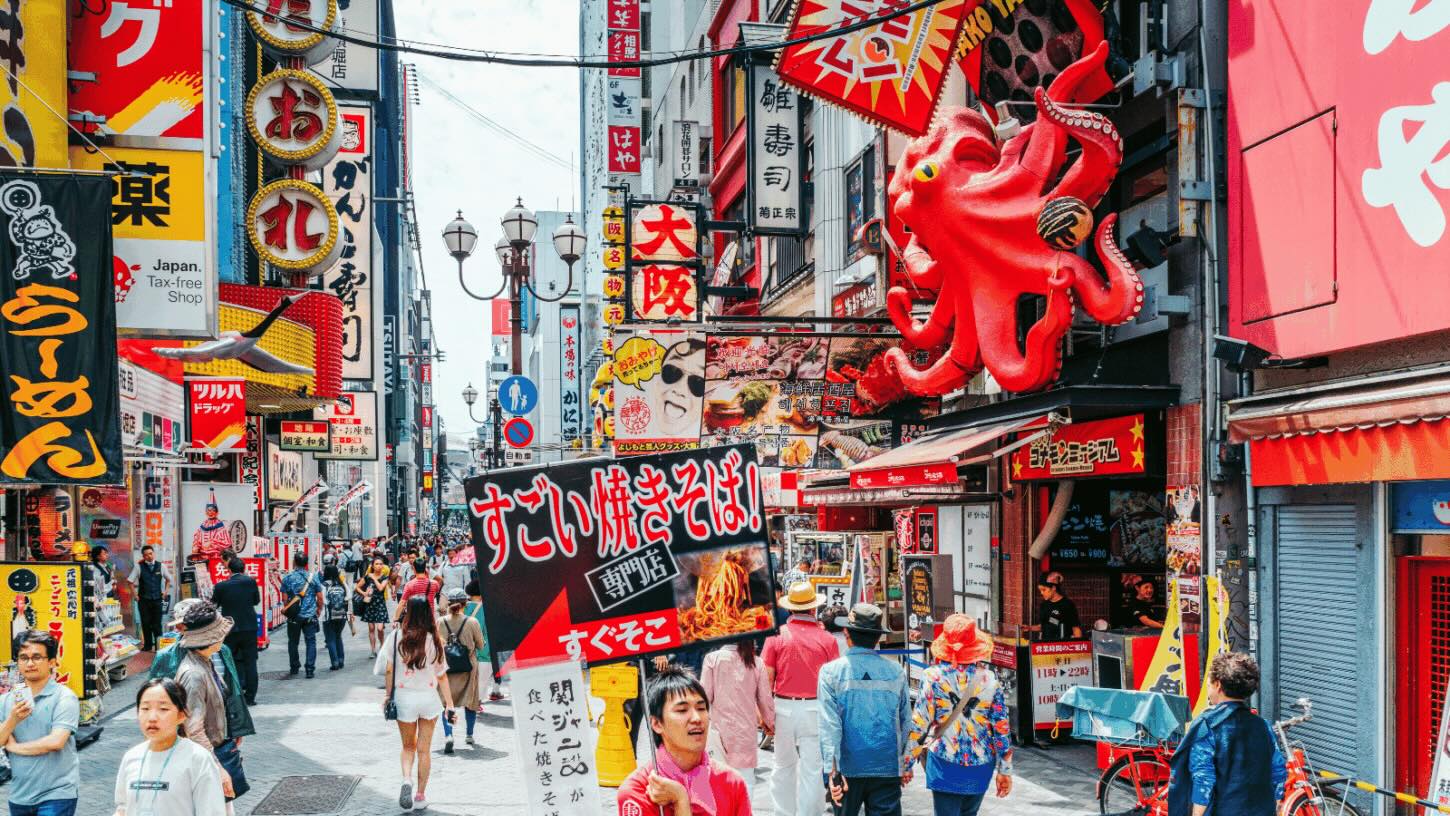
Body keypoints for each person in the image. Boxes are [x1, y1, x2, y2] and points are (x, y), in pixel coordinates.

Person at [906, 614, 1013, 816]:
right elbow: (1001, 728)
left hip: (945, 761)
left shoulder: (933, 677)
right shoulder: (989, 679)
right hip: (981, 764)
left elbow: (919, 723)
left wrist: (906, 764)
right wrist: (1005, 770)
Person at [616, 668, 753, 816]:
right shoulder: (636, 792)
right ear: (656, 724)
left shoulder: (732, 782)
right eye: (682, 710)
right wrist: (680, 800)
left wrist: (680, 799)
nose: (697, 718)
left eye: (701, 708)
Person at [1167, 652, 1286, 816]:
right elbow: (1278, 772)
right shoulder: (1263, 725)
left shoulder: (1207, 725)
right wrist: (1277, 808)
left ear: (1217, 685)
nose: (1207, 687)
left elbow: (1204, 780)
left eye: (1208, 683)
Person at [820, 604, 911, 816]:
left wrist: (831, 772)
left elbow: (829, 726)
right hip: (886, 766)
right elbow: (906, 721)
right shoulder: (896, 672)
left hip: (847, 768)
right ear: (878, 638)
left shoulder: (830, 673)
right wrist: (905, 764)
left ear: (846, 633)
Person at [762, 582, 841, 816]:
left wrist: (765, 713)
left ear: (791, 609)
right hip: (816, 709)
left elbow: (767, 679)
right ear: (813, 609)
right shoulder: (827, 639)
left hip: (783, 707)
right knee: (813, 769)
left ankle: (783, 813)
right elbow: (834, 683)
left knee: (782, 766)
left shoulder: (776, 636)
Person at [375, 597, 456, 812]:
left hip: (404, 698)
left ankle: (406, 780)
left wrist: (388, 695)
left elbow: (389, 670)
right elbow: (442, 677)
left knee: (407, 747)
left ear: (408, 612)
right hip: (428, 699)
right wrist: (449, 704)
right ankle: (420, 796)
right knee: (424, 750)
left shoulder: (395, 637)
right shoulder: (433, 640)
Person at [112, 678, 227, 816]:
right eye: (145, 708)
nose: (152, 717)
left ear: (181, 715)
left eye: (163, 709)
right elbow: (123, 808)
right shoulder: (131, 757)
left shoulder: (198, 759)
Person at [147, 601, 256, 743]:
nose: (181, 629)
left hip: (220, 733)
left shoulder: (222, 650)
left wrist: (236, 727)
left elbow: (231, 690)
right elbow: (154, 700)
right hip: (187, 739)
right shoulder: (168, 657)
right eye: (181, 625)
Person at [173, 602, 248, 804]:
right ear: (213, 638)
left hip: (215, 751)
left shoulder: (204, 662)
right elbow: (193, 728)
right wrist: (217, 767)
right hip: (207, 759)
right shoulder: (194, 673)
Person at [0, 630, 80, 816]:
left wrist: (14, 748)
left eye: (37, 657)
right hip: (19, 795)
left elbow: (55, 742)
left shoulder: (64, 697)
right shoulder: (6, 701)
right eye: (23, 658)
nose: (30, 663)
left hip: (57, 793)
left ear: (52, 662)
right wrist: (13, 719)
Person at [699, 639, 774, 788]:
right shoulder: (756, 662)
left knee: (718, 783)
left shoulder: (712, 659)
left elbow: (704, 698)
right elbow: (765, 699)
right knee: (746, 782)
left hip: (718, 731)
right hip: (745, 733)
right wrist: (770, 723)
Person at [438, 588, 484, 754]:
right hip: (468, 667)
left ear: (449, 603)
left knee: (447, 702)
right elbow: (480, 645)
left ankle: (449, 735)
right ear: (465, 603)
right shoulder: (472, 622)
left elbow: (436, 644)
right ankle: (469, 735)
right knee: (470, 701)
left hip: (447, 667)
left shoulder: (440, 621)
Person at [211, 557, 261, 706]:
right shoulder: (251, 582)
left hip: (230, 629)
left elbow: (214, 603)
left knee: (229, 661)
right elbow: (256, 601)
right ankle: (250, 697)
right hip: (249, 627)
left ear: (229, 570)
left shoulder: (221, 586)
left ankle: (234, 693)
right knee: (250, 662)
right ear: (244, 569)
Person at [280, 552, 324, 678]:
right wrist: (319, 610)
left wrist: (289, 609)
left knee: (293, 642)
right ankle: (309, 669)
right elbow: (320, 597)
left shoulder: (288, 578)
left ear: (294, 562)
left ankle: (294, 667)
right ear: (306, 563)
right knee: (311, 642)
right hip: (310, 615)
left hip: (294, 616)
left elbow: (285, 599)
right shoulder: (313, 577)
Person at [463, 579, 503, 701]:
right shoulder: (486, 609)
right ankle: (477, 701)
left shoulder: (463, 607)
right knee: (482, 680)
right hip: (483, 650)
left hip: (466, 649)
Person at [127, 545, 171, 652]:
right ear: (143, 556)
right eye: (146, 555)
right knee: (145, 623)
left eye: (150, 554)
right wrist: (135, 595)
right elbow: (130, 581)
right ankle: (147, 645)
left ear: (153, 553)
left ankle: (159, 647)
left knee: (157, 624)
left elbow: (168, 579)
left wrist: (165, 592)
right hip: (144, 600)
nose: (149, 556)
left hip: (157, 600)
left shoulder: (161, 566)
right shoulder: (138, 566)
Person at [356, 555, 391, 657]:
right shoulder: (367, 577)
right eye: (377, 564)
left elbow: (380, 588)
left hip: (380, 605)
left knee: (380, 628)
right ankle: (373, 650)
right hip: (369, 604)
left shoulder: (384, 577)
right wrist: (364, 593)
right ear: (372, 565)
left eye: (381, 564)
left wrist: (373, 578)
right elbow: (357, 587)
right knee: (371, 629)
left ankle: (382, 645)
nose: (379, 566)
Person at [320, 564, 350, 671]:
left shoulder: (324, 585)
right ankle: (341, 659)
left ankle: (335, 662)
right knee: (338, 636)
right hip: (341, 615)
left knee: (330, 639)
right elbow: (348, 597)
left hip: (328, 616)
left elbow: (323, 600)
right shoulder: (342, 584)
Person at [1036, 572, 1082, 640]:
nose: (1041, 593)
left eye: (1044, 590)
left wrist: (1078, 645)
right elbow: (1042, 626)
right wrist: (1028, 628)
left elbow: (1076, 628)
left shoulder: (1067, 605)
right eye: (1040, 591)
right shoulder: (1043, 605)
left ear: (1053, 588)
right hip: (1046, 645)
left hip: (1062, 645)